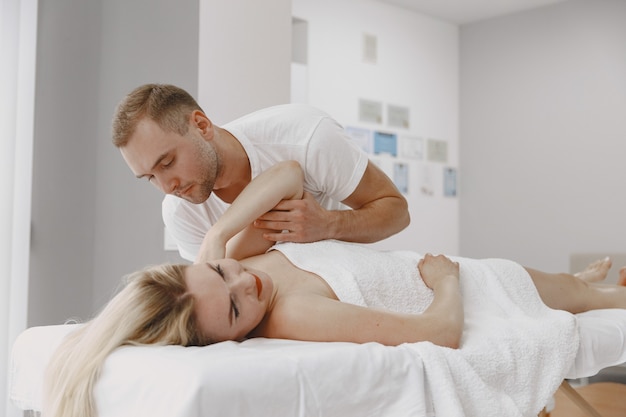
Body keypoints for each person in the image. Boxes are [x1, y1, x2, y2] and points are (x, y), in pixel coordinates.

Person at [44, 161, 626, 417]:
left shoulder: (235, 264)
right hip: (471, 286)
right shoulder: (294, 315)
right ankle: (586, 287)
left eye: (221, 273)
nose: (246, 281)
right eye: (235, 307)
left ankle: (577, 281)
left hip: (470, 270)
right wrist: (447, 280)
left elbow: (289, 174)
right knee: (599, 303)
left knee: (567, 287)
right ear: (223, 342)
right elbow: (440, 334)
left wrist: (218, 237)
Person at [111, 84, 410, 263]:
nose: (167, 187)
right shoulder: (179, 211)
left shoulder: (306, 137)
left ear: (202, 126)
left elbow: (397, 212)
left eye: (167, 163)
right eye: (150, 177)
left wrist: (329, 224)